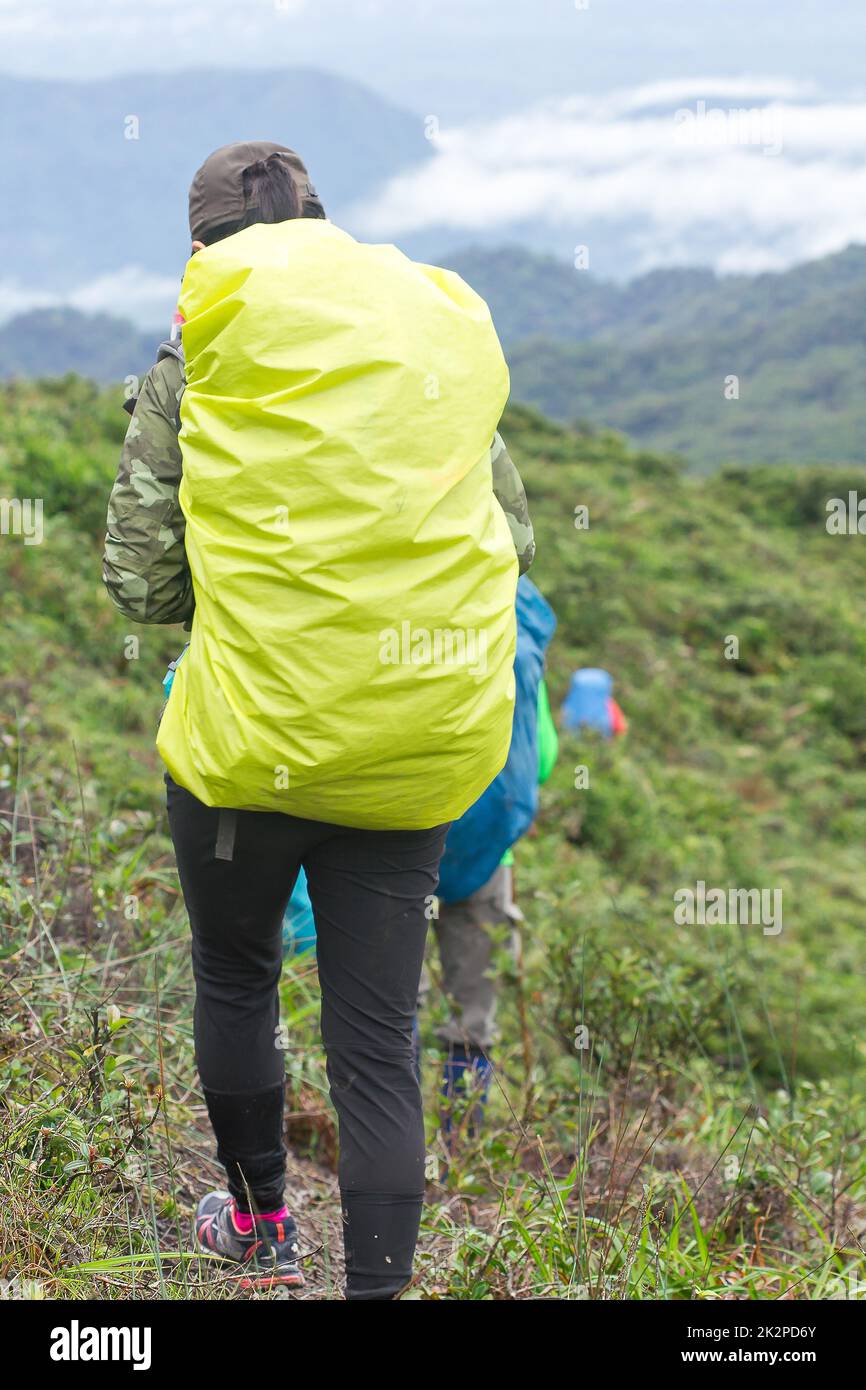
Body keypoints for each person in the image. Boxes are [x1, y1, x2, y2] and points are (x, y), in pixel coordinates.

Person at [102, 141, 535, 1300]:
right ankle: (376, 1291)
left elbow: (140, 585)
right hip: (412, 754)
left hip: (247, 757)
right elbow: (514, 548)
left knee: (237, 981)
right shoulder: (422, 347)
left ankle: (259, 1231)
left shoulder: (194, 358)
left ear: (202, 251)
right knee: (380, 1043)